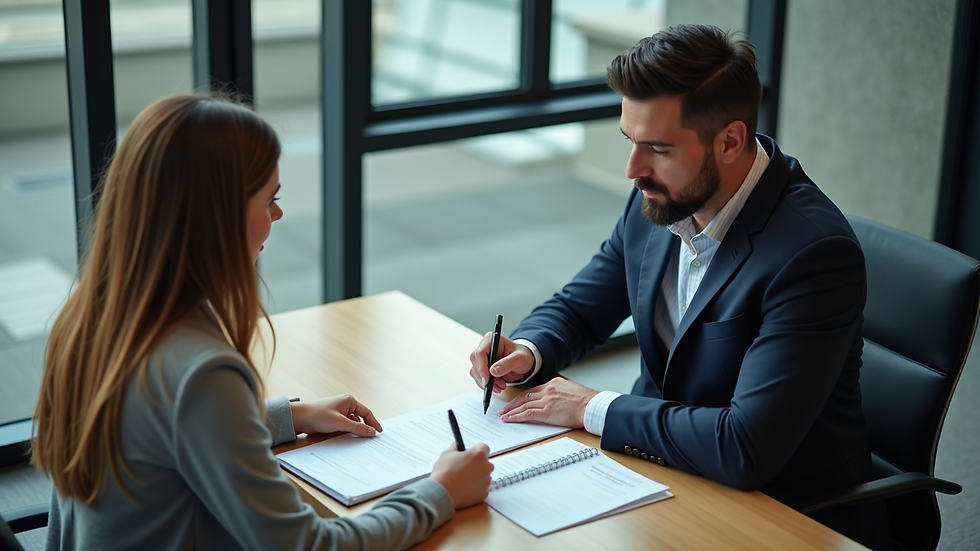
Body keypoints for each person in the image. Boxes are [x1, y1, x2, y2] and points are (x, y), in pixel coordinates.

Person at [469, 24, 888, 549]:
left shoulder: (813, 255)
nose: (632, 170)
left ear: (731, 141)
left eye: (658, 149)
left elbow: (745, 446)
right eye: (629, 140)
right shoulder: (660, 198)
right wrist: (527, 352)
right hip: (660, 474)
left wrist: (589, 407)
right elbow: (581, 309)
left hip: (782, 510)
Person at [32, 93, 493, 551]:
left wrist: (287, 416)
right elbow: (308, 545)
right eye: (269, 199)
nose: (277, 214)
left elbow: (158, 431)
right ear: (217, 216)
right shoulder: (203, 369)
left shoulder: (89, 319)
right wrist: (440, 493)